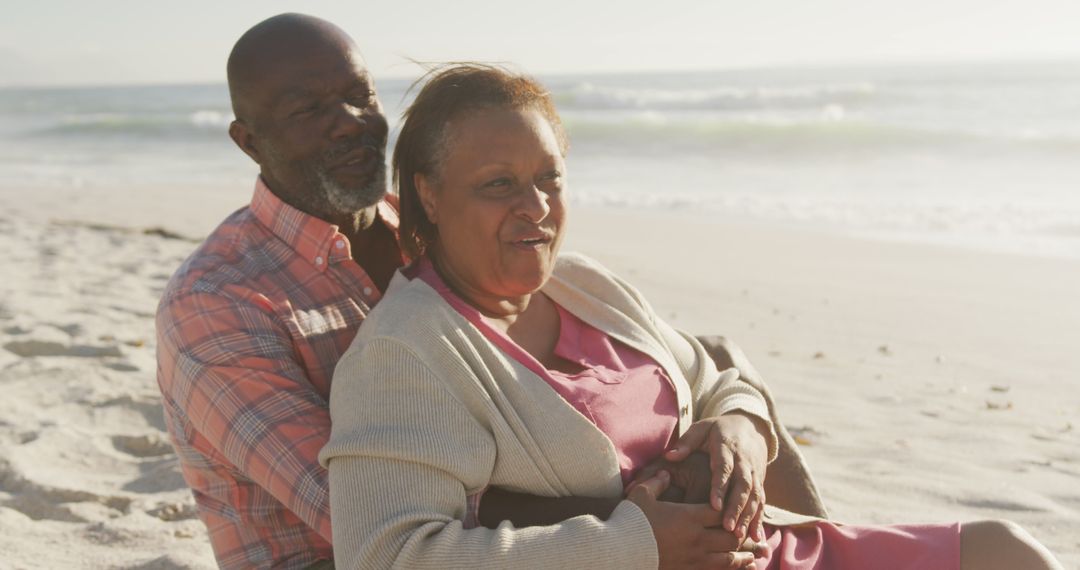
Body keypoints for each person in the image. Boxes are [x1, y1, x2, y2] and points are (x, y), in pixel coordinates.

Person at [319, 64, 1064, 569]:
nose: (536, 207)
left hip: (774, 550)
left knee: (1008, 551)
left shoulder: (583, 286)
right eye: (499, 184)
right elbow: (388, 555)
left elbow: (716, 378)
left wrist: (744, 427)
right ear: (428, 193)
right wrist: (637, 542)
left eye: (549, 177)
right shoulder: (407, 351)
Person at [155, 13, 824, 569]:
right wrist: (646, 515)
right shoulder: (217, 305)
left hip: (548, 519)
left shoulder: (429, 223)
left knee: (712, 374)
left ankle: (818, 533)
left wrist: (725, 438)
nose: (350, 121)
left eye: (361, 95)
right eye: (309, 109)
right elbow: (360, 509)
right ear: (248, 141)